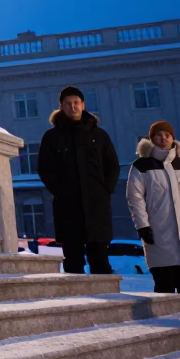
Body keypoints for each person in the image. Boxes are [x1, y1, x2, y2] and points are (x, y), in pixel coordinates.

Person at [127, 121, 180, 313]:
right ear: (151, 139)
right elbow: (135, 197)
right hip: (159, 236)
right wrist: (143, 225)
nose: (163, 138)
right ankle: (167, 333)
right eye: (158, 135)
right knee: (165, 292)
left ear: (173, 138)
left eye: (167, 134)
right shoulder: (141, 166)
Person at [37, 86, 120, 275]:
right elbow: (44, 168)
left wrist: (104, 189)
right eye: (68, 103)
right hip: (68, 205)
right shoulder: (52, 137)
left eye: (76, 103)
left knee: (100, 259)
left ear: (83, 105)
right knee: (73, 261)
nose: (72, 107)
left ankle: (108, 301)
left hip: (96, 205)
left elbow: (112, 166)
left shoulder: (99, 135)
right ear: (61, 107)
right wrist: (60, 191)